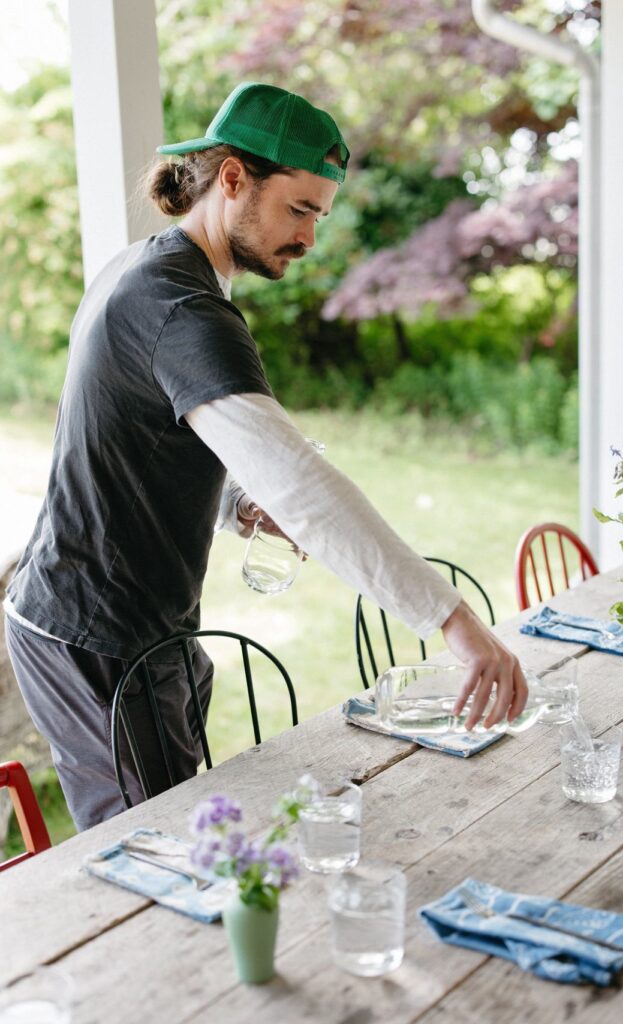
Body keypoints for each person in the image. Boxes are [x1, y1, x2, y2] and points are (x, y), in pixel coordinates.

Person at [4, 82, 527, 831]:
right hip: (99, 637)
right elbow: (303, 487)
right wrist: (454, 623)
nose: (310, 237)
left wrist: (236, 504)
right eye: (301, 209)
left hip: (105, 624)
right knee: (156, 860)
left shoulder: (152, 271)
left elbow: (132, 423)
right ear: (231, 181)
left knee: (177, 841)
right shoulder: (182, 307)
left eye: (319, 214)